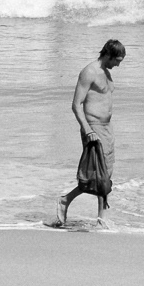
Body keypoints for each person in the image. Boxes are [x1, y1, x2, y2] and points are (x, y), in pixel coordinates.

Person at [48, 39, 126, 228]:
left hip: (107, 128)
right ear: (108, 55)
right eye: (117, 60)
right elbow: (76, 105)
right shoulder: (89, 72)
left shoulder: (106, 73)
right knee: (99, 175)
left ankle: (99, 217)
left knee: (106, 173)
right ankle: (68, 202)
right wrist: (87, 129)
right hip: (93, 127)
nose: (118, 65)